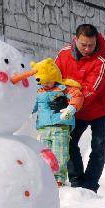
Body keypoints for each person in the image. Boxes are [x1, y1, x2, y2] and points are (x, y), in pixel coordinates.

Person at [54, 23, 105, 192]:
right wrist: (56, 96)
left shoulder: (101, 61)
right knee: (68, 141)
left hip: (99, 110)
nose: (87, 49)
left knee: (98, 147)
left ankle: (90, 185)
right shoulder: (63, 54)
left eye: (91, 45)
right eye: (84, 45)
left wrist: (70, 104)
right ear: (76, 39)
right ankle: (76, 179)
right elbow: (54, 76)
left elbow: (91, 89)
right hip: (74, 109)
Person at [28, 58, 83, 186]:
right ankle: (46, 176)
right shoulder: (38, 92)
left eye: (49, 81)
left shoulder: (64, 89)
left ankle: (59, 178)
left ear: (55, 77)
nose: (46, 84)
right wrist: (25, 112)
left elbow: (77, 96)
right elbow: (31, 106)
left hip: (61, 127)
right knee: (44, 153)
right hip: (43, 128)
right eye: (43, 81)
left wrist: (71, 108)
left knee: (60, 153)